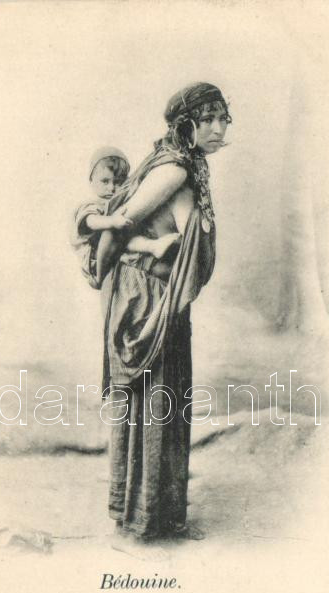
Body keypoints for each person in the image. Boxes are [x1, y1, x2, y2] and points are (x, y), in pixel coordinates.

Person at [95, 82, 231, 547]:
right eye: (209, 119)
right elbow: (120, 223)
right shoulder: (173, 170)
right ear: (186, 124)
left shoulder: (191, 164)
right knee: (152, 406)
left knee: (167, 404)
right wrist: (99, 271)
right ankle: (137, 524)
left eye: (223, 118)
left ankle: (164, 517)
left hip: (168, 302)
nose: (219, 128)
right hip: (148, 303)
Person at [71, 147, 181, 289]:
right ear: (92, 180)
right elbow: (91, 221)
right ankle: (153, 247)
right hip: (95, 260)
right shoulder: (91, 204)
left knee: (138, 253)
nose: (111, 188)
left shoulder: (114, 201)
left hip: (117, 253)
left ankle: (157, 250)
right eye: (105, 181)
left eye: (118, 182)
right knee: (122, 236)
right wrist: (112, 221)